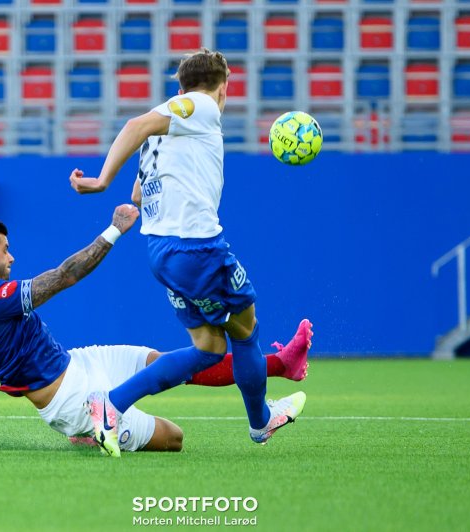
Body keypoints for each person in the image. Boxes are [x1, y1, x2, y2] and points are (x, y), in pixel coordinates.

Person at [69, 48, 307, 457]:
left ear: (178, 84)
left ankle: (110, 405)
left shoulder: (163, 135)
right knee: (245, 328)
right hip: (196, 247)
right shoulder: (200, 105)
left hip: (162, 250)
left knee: (209, 348)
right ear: (223, 88)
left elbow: (139, 192)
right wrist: (101, 181)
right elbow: (135, 124)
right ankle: (259, 422)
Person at [0, 209, 313, 455]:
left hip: (76, 362)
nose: (11, 257)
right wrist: (115, 230)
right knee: (174, 438)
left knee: (169, 363)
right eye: (5, 250)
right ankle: (88, 430)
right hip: (70, 400)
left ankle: (281, 363)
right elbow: (65, 275)